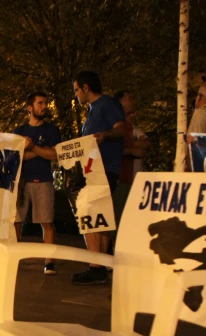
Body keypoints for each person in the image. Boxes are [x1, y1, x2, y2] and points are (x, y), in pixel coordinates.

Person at [71, 70, 126, 285]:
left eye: (76, 89)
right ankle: (101, 265)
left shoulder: (107, 105)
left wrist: (105, 135)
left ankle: (96, 266)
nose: (76, 94)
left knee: (90, 213)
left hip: (102, 170)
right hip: (93, 169)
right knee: (99, 215)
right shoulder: (92, 111)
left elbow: (121, 129)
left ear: (86, 88)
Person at [11, 92, 61, 275]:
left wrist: (31, 148)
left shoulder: (52, 130)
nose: (44, 106)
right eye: (40, 103)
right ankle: (14, 257)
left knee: (47, 221)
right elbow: (15, 157)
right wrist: (41, 150)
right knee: (16, 222)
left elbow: (55, 155)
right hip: (21, 182)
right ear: (30, 107)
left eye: (46, 103)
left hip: (44, 180)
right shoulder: (18, 132)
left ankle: (50, 261)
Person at [114, 90, 150, 226]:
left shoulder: (131, 128)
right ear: (120, 103)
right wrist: (132, 150)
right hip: (120, 179)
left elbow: (146, 142)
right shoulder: (116, 126)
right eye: (130, 98)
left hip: (130, 180)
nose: (133, 101)